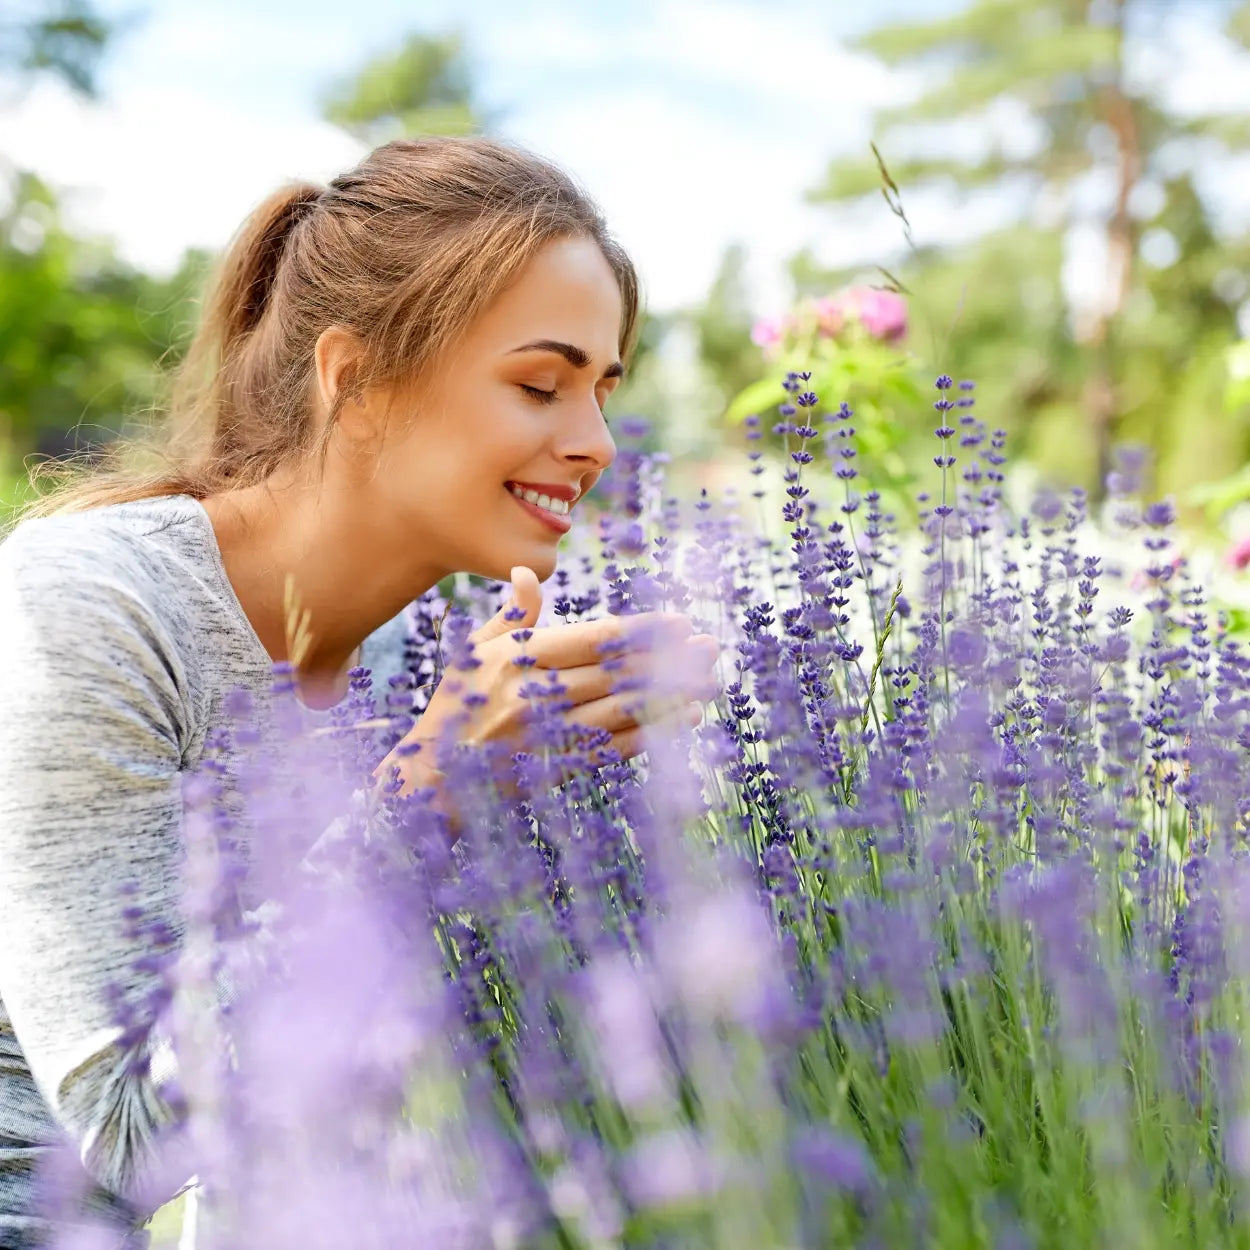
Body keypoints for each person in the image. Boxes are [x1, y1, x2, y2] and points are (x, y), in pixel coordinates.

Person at [0, 135, 718, 1249]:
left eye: (604, 390)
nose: (594, 445)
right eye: (540, 383)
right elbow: (135, 1135)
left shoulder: (431, 659)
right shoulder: (86, 608)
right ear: (356, 380)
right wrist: (428, 788)